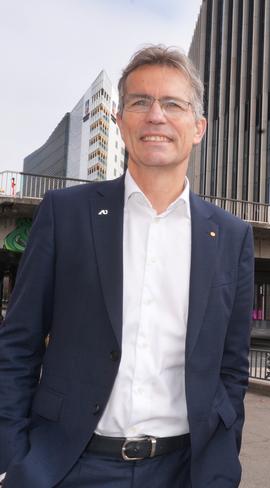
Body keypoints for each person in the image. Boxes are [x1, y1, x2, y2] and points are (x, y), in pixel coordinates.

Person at [0, 45, 254, 487]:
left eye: (173, 104)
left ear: (198, 128)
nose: (156, 115)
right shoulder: (65, 214)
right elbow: (18, 345)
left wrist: (220, 463)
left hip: (185, 470)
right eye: (140, 102)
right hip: (69, 467)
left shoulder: (230, 236)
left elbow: (231, 367)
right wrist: (11, 458)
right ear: (120, 122)